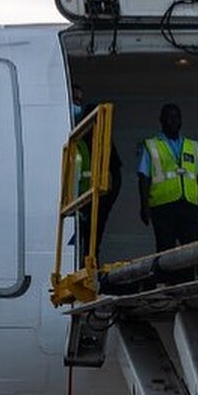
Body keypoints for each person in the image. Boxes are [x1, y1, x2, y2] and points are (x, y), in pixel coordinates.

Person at [136, 103, 198, 252]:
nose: (173, 121)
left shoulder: (193, 146)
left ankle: (188, 270)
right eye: (169, 117)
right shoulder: (152, 145)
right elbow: (144, 177)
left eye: (177, 117)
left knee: (191, 250)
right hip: (163, 207)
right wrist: (144, 206)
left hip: (188, 205)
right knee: (165, 249)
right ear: (161, 120)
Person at [71, 84, 121, 263]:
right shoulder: (75, 136)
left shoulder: (103, 142)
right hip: (75, 202)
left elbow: (115, 172)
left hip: (95, 201)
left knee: (91, 245)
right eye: (74, 100)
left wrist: (106, 202)